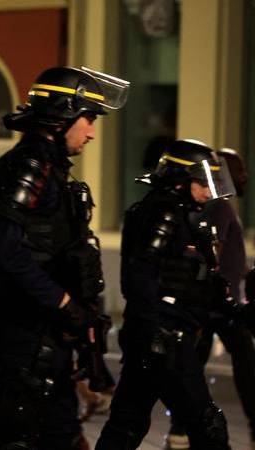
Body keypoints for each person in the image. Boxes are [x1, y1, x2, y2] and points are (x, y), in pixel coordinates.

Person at [0, 66, 129, 450]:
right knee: (14, 435)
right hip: (27, 326)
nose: (92, 132)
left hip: (46, 328)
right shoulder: (30, 167)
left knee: (59, 434)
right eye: (89, 119)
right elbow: (7, 252)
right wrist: (63, 303)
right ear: (63, 115)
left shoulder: (51, 169)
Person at [96, 139, 236, 450]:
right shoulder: (164, 213)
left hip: (153, 334)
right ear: (180, 180)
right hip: (166, 335)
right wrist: (157, 331)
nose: (208, 192)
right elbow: (141, 274)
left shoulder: (176, 213)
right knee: (208, 426)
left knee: (126, 424)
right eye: (202, 183)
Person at [161, 147, 255, 450]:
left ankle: (179, 431)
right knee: (245, 368)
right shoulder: (221, 207)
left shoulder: (214, 206)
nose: (245, 176)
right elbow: (213, 253)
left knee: (193, 367)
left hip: (211, 303)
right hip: (220, 305)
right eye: (239, 169)